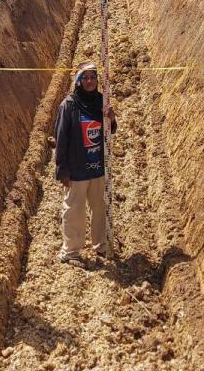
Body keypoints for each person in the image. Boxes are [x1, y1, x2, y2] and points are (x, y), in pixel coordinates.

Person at [54, 62, 117, 262]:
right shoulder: (69, 105)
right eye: (85, 78)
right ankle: (70, 252)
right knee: (74, 210)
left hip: (97, 167)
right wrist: (62, 169)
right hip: (77, 169)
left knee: (100, 207)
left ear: (98, 80)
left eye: (93, 77)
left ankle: (101, 246)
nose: (89, 81)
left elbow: (109, 131)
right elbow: (61, 137)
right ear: (79, 81)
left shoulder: (101, 101)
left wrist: (111, 119)